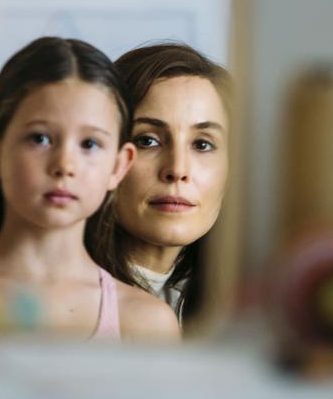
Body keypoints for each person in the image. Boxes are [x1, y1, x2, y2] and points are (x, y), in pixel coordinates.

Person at [0, 37, 180, 342]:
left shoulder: (146, 322)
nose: (64, 165)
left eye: (90, 144)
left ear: (118, 167)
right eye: (40, 138)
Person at [86, 43, 231, 328]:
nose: (177, 170)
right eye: (147, 141)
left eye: (202, 144)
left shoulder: (236, 315)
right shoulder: (54, 305)